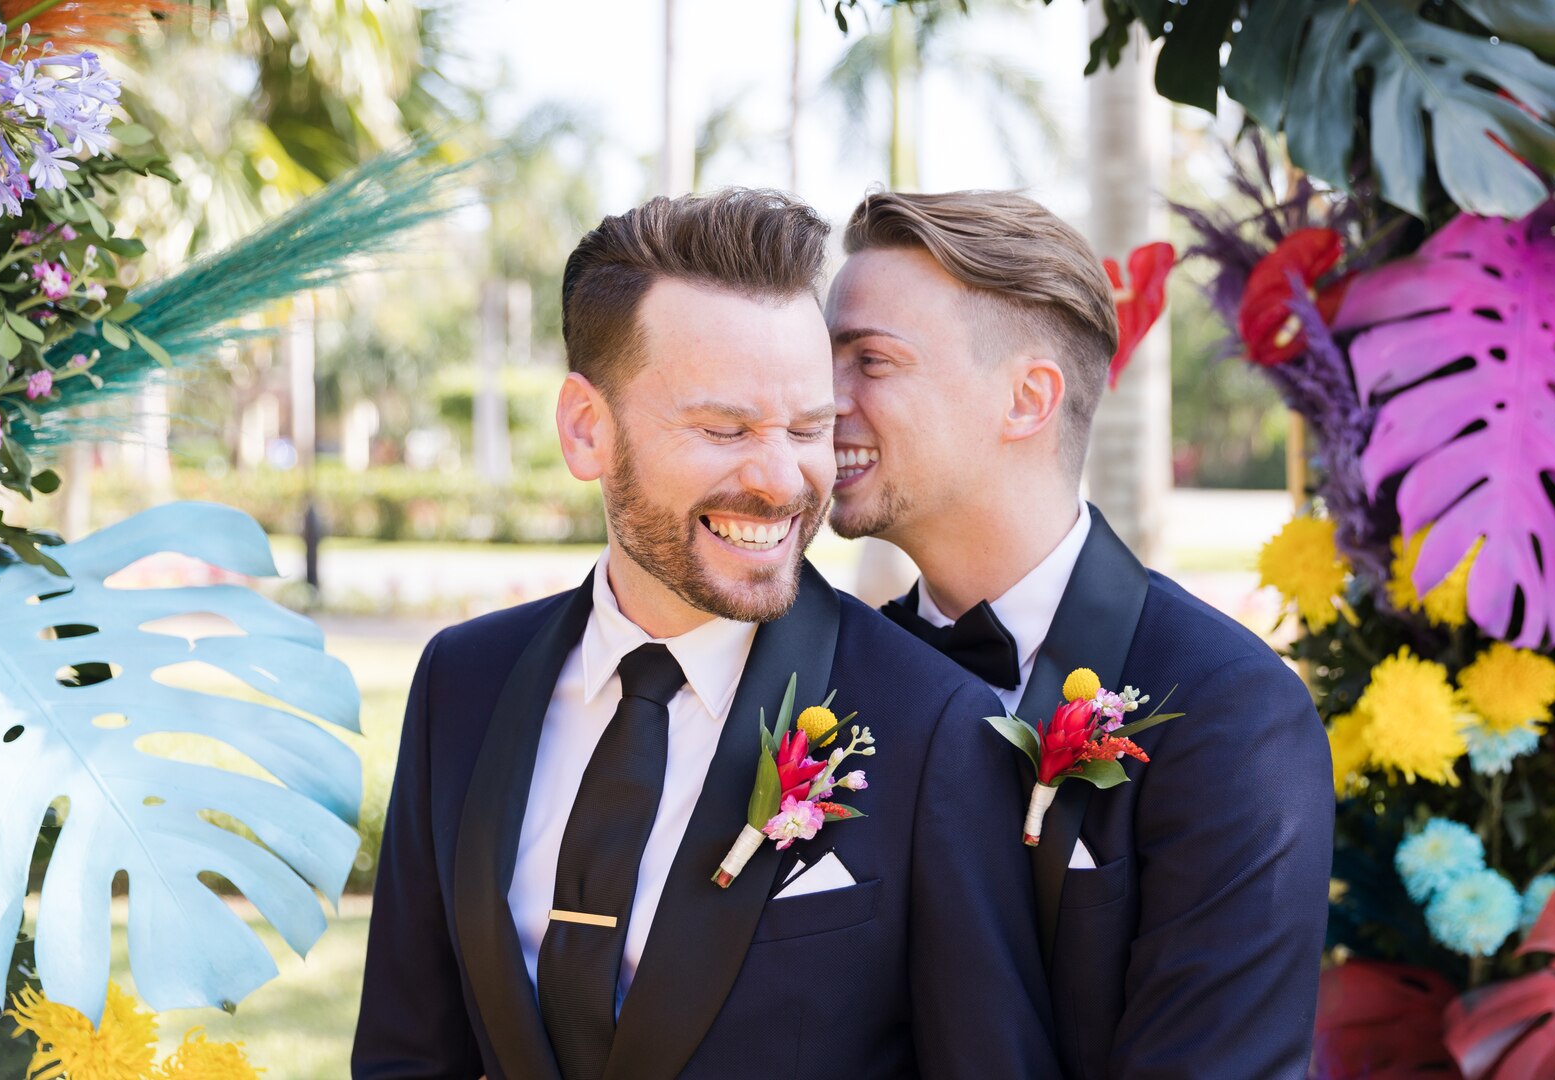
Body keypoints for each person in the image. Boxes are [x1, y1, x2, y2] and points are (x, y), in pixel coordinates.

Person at [353, 188, 1059, 1080]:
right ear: (586, 431)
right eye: (725, 428)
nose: (780, 479)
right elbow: (406, 1053)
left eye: (808, 427)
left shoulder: (934, 724)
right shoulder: (462, 681)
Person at [826, 189, 1334, 1080]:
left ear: (1027, 399)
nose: (821, 400)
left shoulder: (1229, 712)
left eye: (868, 360)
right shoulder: (825, 691)